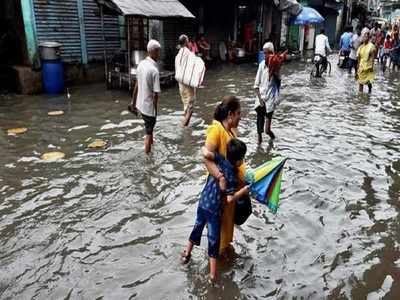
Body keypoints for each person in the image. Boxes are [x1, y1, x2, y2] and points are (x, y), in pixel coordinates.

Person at [181, 138, 249, 282]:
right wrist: (244, 190)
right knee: (213, 239)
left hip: (203, 201)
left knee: (197, 226)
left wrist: (207, 152)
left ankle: (187, 252)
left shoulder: (220, 159)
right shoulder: (233, 176)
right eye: (243, 158)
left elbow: (205, 153)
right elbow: (230, 199)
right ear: (238, 161)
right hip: (214, 210)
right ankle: (212, 275)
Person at [200, 96, 246, 258]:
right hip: (218, 192)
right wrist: (220, 177)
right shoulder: (216, 130)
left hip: (230, 189)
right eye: (239, 113)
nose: (241, 116)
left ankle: (224, 252)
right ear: (230, 114)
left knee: (226, 226)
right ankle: (215, 266)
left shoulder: (233, 131)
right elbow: (206, 157)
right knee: (217, 228)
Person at [129, 40, 161, 154]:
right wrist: (155, 111)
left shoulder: (141, 64)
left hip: (140, 105)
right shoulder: (154, 71)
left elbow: (137, 84)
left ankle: (152, 146)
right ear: (153, 52)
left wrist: (133, 103)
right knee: (148, 134)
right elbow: (156, 94)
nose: (159, 54)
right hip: (148, 108)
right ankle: (148, 160)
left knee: (149, 129)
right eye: (158, 52)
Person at [254, 42, 287, 144]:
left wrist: (276, 74)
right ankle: (259, 147)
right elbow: (256, 86)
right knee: (259, 131)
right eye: (264, 53)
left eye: (267, 53)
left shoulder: (276, 66)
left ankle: (273, 140)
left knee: (267, 130)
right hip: (261, 100)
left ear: (272, 53)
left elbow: (278, 86)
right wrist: (260, 100)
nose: (265, 55)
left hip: (270, 101)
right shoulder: (261, 66)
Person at [175, 34, 196, 127]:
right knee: (190, 107)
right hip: (187, 83)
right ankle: (183, 127)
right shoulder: (188, 53)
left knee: (186, 105)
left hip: (180, 84)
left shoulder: (178, 55)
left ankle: (185, 124)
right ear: (186, 42)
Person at [357, 28, 376, 94]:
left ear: (368, 37)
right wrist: (358, 67)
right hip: (361, 67)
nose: (365, 37)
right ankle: (360, 96)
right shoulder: (361, 47)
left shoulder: (371, 46)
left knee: (368, 82)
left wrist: (372, 67)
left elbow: (373, 58)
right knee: (360, 83)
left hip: (368, 67)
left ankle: (370, 90)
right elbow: (359, 58)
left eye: (366, 36)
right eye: (364, 36)